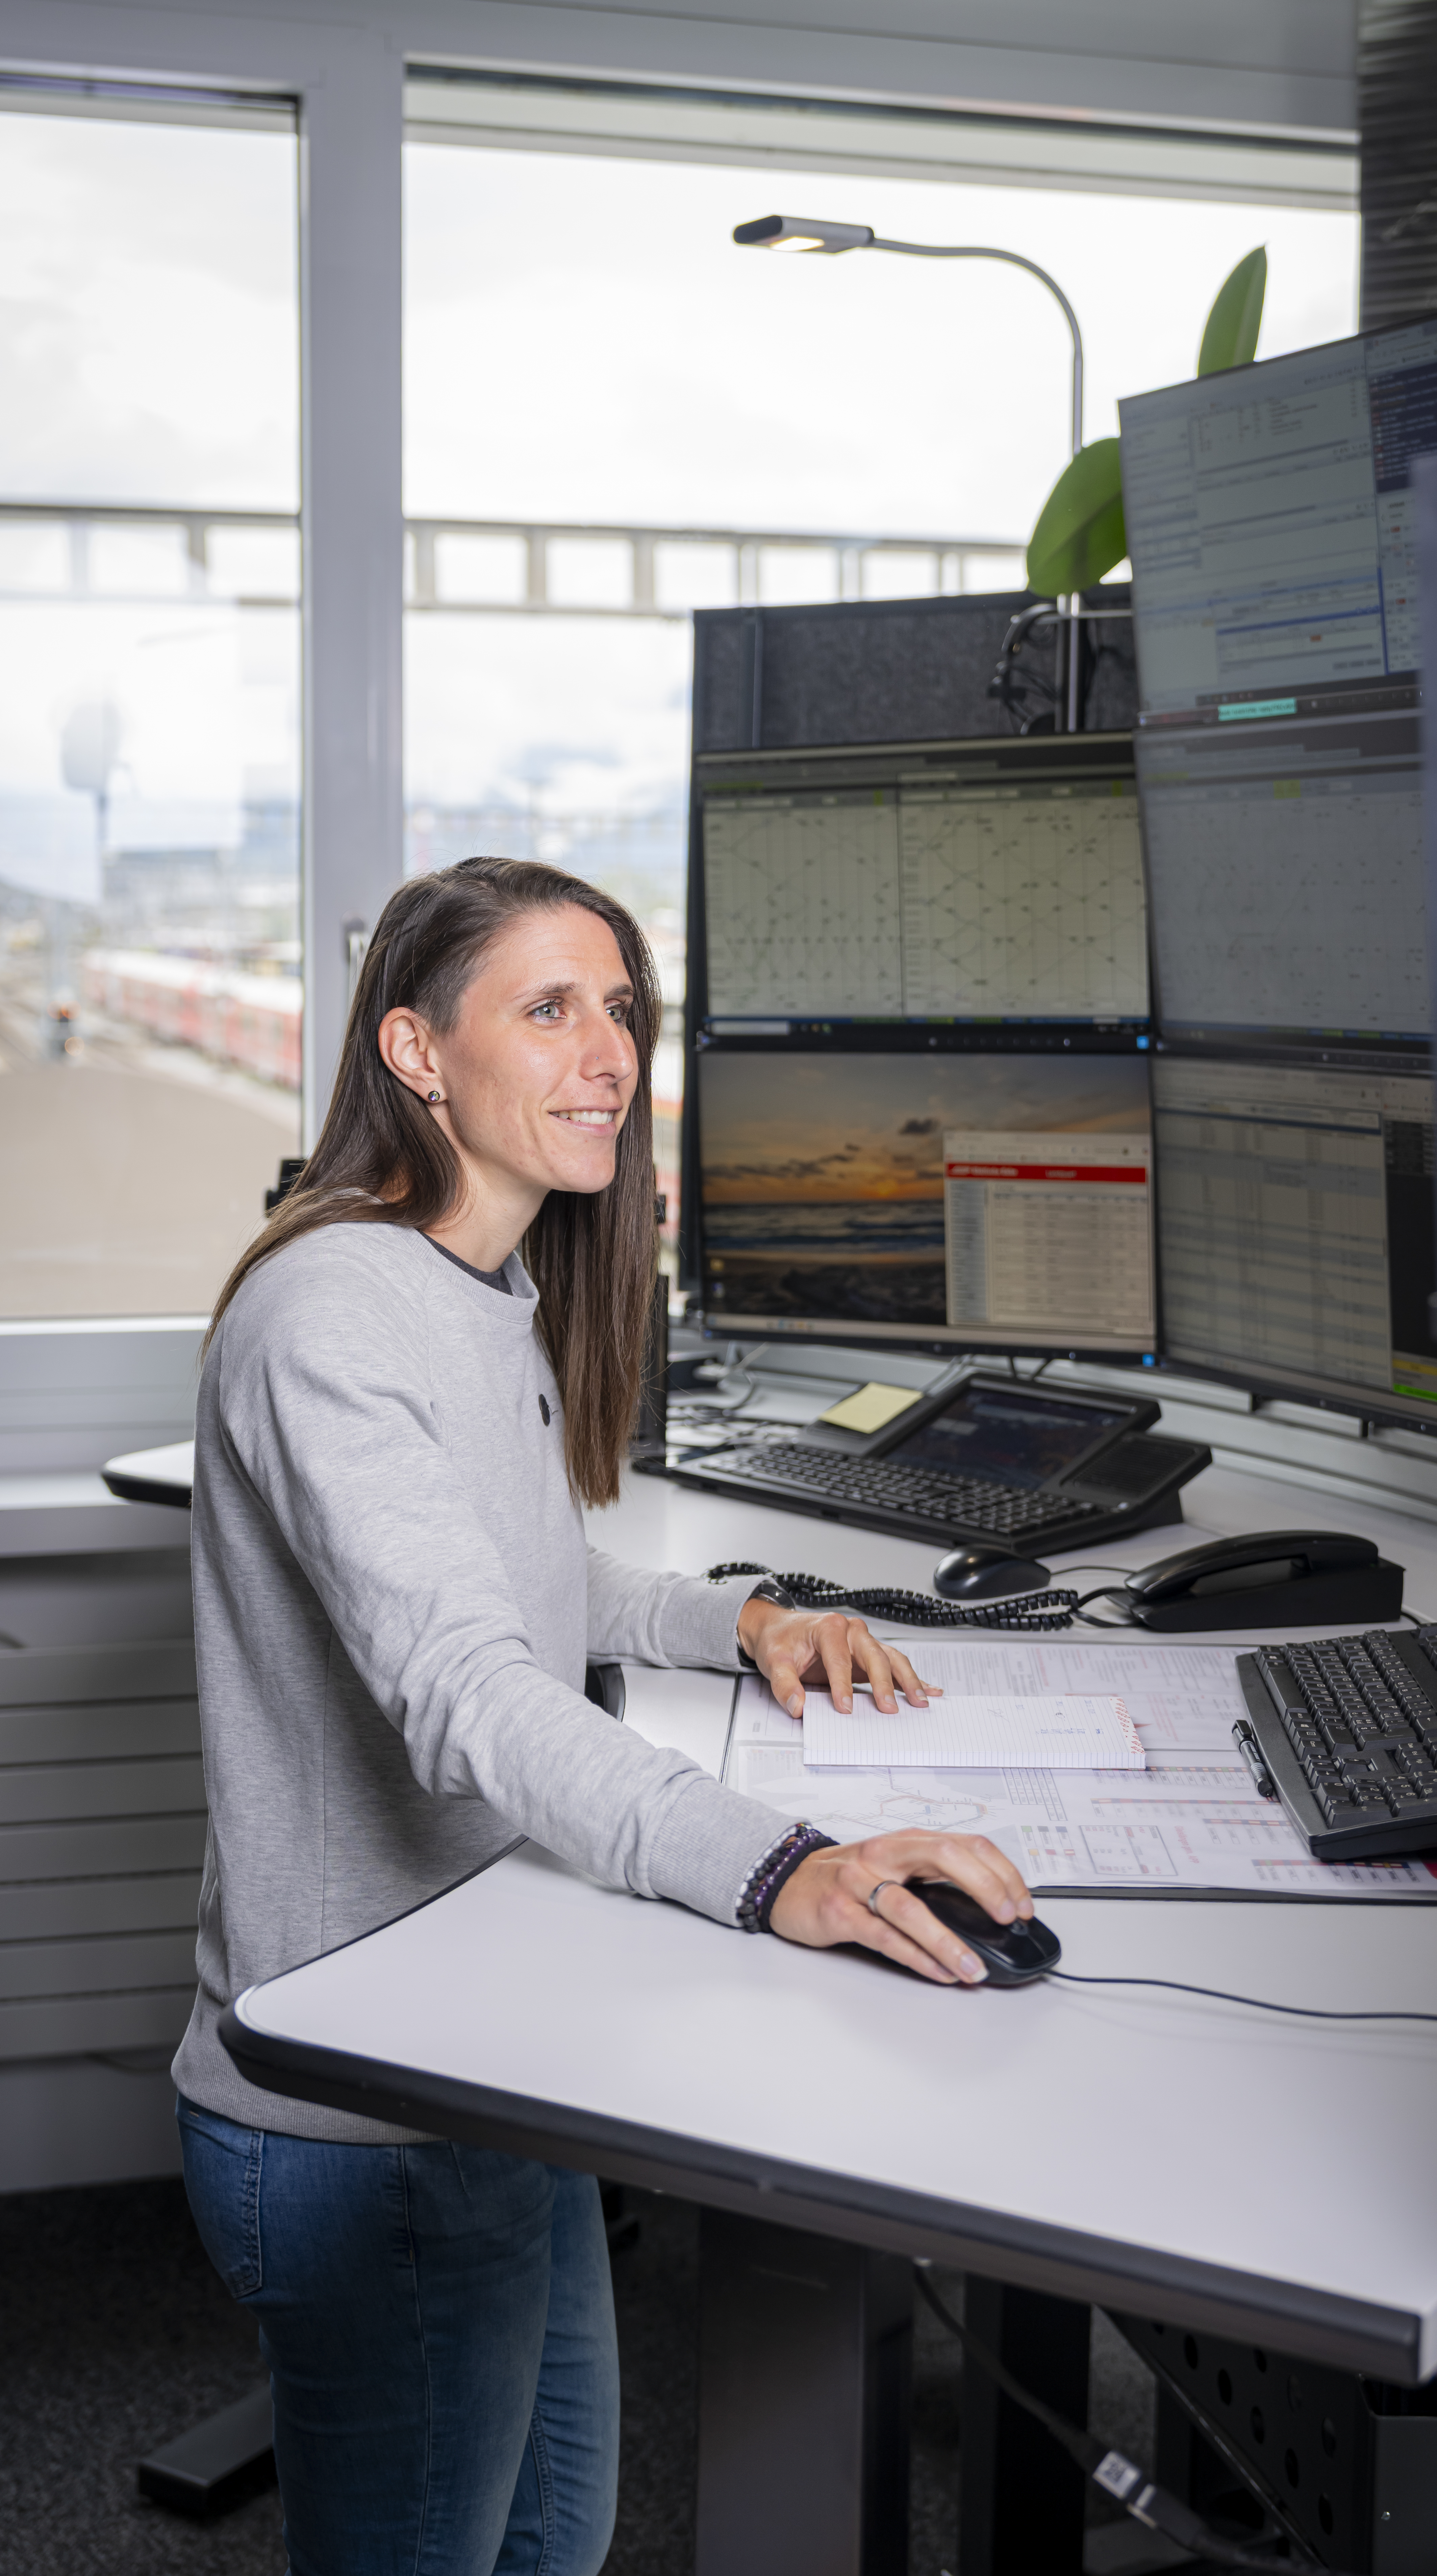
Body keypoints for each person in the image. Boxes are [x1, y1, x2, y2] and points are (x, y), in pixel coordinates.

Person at [173, 854, 1032, 2576]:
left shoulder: (479, 1283)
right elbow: (468, 1694)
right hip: (368, 2106)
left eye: (624, 1010)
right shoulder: (334, 1315)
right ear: (417, 1051)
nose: (610, 1055)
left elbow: (530, 1590)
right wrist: (780, 1863)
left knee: (553, 2535)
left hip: (491, 2047)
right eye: (549, 1008)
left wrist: (749, 1620)